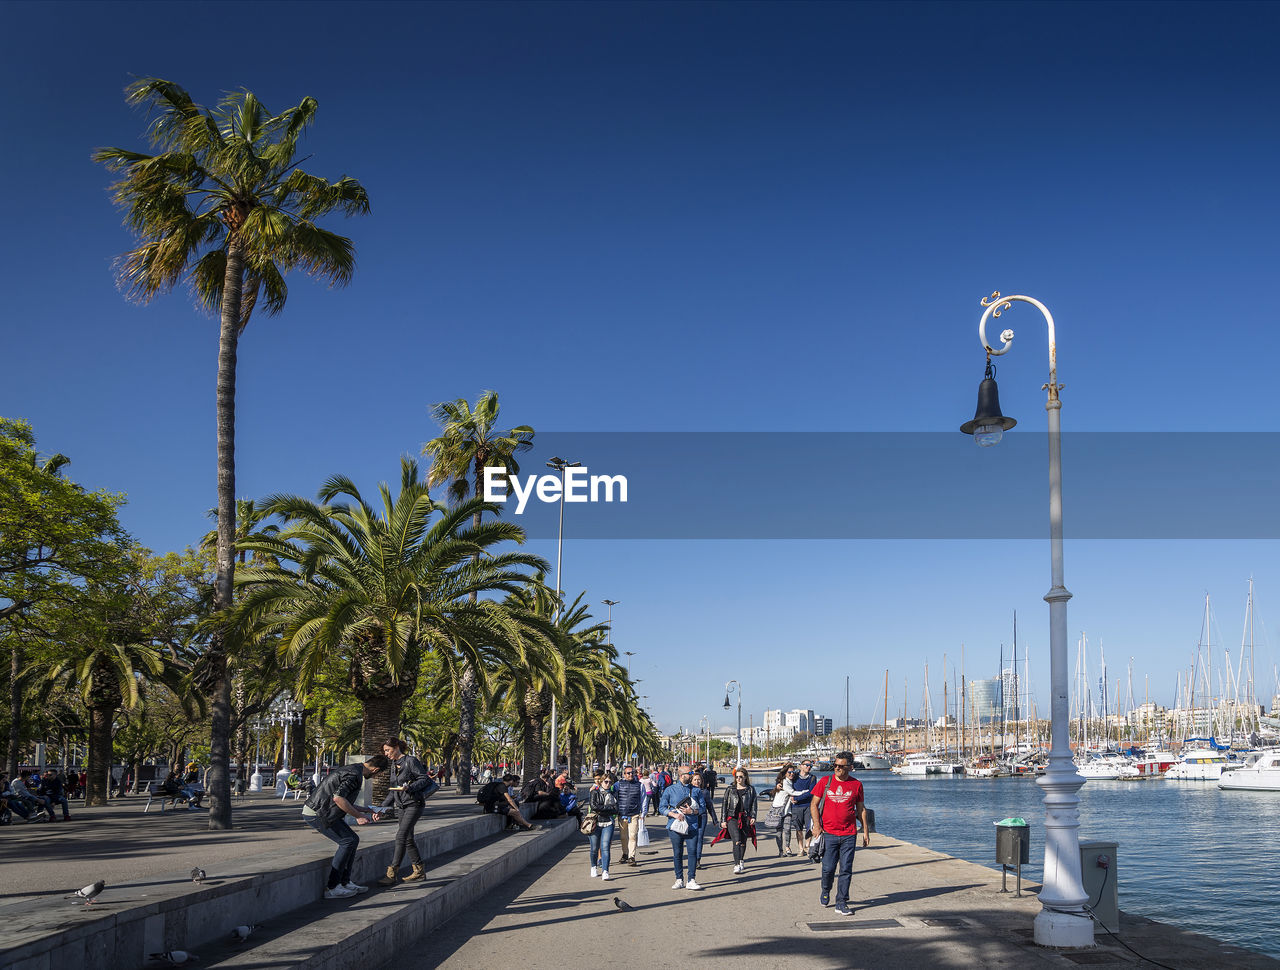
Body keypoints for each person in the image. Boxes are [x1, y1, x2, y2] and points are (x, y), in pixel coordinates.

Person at [302, 753, 390, 899]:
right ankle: (332, 887)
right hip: (317, 813)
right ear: (376, 770)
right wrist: (359, 816)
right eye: (377, 774)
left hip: (324, 811)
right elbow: (338, 799)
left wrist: (368, 809)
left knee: (352, 840)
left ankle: (345, 882)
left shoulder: (354, 770)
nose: (375, 777)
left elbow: (344, 801)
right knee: (347, 841)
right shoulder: (354, 775)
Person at [811, 751, 870, 917]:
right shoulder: (825, 782)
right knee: (828, 868)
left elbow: (861, 809)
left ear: (850, 767)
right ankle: (825, 889)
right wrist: (817, 825)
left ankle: (841, 901)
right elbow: (813, 805)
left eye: (840, 766)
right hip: (828, 833)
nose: (836, 768)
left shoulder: (856, 785)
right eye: (835, 765)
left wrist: (865, 832)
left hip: (849, 834)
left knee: (846, 869)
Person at [377, 738, 441, 886]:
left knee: (401, 836)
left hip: (414, 804)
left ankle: (392, 873)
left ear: (397, 747)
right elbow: (393, 791)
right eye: (385, 751)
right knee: (408, 838)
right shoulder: (394, 765)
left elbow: (424, 779)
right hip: (401, 806)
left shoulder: (410, 761)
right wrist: (382, 808)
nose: (386, 754)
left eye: (388, 750)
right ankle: (419, 871)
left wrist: (409, 788)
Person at [658, 765, 706, 890]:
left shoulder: (696, 791)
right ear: (681, 775)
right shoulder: (670, 790)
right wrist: (674, 814)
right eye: (689, 773)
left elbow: (702, 808)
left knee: (692, 852)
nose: (691, 775)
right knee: (677, 853)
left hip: (692, 826)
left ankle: (691, 880)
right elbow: (661, 807)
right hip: (675, 827)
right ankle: (679, 879)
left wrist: (692, 812)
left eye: (691, 772)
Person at [721, 767, 757, 874]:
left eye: (741, 777)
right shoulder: (730, 789)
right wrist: (723, 820)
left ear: (745, 777)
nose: (738, 779)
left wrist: (753, 816)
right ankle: (736, 864)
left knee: (743, 841)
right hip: (732, 817)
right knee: (736, 839)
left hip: (745, 817)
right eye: (736, 777)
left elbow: (754, 805)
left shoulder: (750, 789)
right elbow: (724, 805)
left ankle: (741, 859)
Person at [586, 769, 619, 879]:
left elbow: (616, 809)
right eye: (606, 782)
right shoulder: (594, 792)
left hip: (608, 823)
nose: (608, 784)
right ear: (601, 782)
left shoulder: (613, 794)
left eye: (610, 782)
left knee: (605, 847)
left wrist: (603, 809)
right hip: (595, 823)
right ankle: (593, 867)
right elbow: (594, 806)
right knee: (594, 848)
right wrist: (608, 808)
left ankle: (605, 870)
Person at [614, 765, 644, 867]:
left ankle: (632, 857)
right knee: (623, 837)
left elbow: (643, 799)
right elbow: (611, 793)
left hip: (634, 814)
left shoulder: (639, 785)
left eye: (632, 772)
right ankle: (625, 853)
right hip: (622, 814)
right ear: (624, 774)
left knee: (632, 836)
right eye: (628, 773)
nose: (631, 774)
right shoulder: (618, 784)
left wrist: (643, 813)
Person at [789, 761, 817, 854]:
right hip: (796, 807)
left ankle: (807, 846)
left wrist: (797, 798)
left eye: (810, 766)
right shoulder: (794, 776)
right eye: (807, 765)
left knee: (809, 827)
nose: (809, 767)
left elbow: (811, 792)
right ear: (801, 766)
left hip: (808, 805)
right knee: (798, 828)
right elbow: (784, 781)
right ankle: (801, 848)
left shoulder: (812, 778)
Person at [767, 768, 791, 856]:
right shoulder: (779, 783)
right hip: (777, 810)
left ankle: (787, 847)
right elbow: (774, 791)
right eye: (789, 772)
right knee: (779, 832)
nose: (791, 774)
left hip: (788, 810)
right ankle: (780, 850)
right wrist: (776, 786)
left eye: (793, 772)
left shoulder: (793, 782)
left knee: (787, 830)